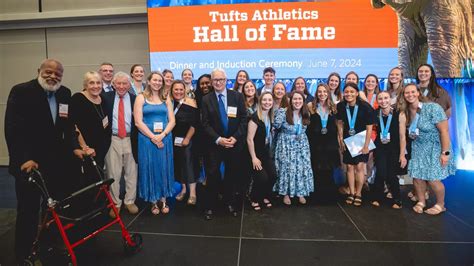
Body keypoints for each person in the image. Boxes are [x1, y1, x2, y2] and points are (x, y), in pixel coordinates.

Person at [5, 59, 72, 263]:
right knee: (28, 210)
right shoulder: (21, 91)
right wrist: (24, 158)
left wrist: (76, 148)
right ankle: (23, 253)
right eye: (49, 72)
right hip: (29, 164)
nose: (53, 76)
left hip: (55, 164)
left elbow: (66, 126)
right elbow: (13, 129)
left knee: (53, 209)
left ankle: (46, 245)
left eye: (57, 74)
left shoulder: (64, 93)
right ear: (39, 72)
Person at [399, 84, 456, 215]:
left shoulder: (432, 108)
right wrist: (402, 154)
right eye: (407, 93)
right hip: (418, 146)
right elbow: (403, 136)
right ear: (403, 96)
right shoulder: (406, 112)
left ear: (418, 93)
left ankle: (441, 204)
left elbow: (444, 131)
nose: (410, 95)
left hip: (436, 147)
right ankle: (421, 201)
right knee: (417, 177)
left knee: (432, 178)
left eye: (412, 92)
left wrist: (445, 153)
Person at [200, 68, 247, 220]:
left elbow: (243, 119)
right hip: (215, 145)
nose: (218, 82)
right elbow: (205, 124)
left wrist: (235, 137)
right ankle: (210, 206)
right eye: (215, 80)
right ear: (212, 82)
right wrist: (219, 139)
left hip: (233, 144)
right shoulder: (206, 99)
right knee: (213, 175)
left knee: (231, 175)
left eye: (221, 80)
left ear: (226, 81)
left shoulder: (237, 96)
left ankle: (230, 203)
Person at [134, 71, 176, 215]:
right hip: (147, 140)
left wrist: (162, 135)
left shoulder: (166, 98)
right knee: (150, 167)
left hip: (165, 140)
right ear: (149, 81)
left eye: (160, 80)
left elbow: (172, 120)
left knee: (164, 168)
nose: (157, 83)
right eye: (155, 80)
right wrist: (153, 137)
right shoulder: (141, 98)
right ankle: (153, 201)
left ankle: (163, 199)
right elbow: (138, 122)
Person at [103, 72, 139, 218]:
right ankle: (116, 203)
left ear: (129, 85)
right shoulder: (105, 98)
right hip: (113, 139)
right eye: (119, 83)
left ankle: (130, 201)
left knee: (131, 172)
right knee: (113, 173)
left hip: (131, 139)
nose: (122, 86)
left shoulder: (135, 98)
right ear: (113, 84)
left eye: (125, 83)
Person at [336, 82, 375, 207]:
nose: (349, 94)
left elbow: (370, 128)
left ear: (357, 93)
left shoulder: (365, 107)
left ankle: (358, 193)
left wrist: (366, 146)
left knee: (359, 167)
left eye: (352, 92)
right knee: (349, 168)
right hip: (348, 140)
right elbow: (340, 123)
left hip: (361, 139)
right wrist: (340, 138)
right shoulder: (341, 106)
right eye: (346, 92)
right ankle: (351, 193)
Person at [273, 91, 314, 205]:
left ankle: (300, 193)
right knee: (286, 168)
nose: (297, 101)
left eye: (300, 99)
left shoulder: (305, 113)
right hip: (286, 144)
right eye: (295, 99)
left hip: (302, 144)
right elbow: (275, 126)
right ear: (290, 100)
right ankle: (285, 193)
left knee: (301, 168)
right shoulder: (283, 111)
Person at [371, 91, 407, 209]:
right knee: (380, 172)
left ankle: (397, 199)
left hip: (394, 148)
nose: (383, 101)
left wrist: (402, 155)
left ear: (391, 99)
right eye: (380, 99)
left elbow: (402, 136)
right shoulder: (375, 114)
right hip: (380, 148)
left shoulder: (399, 114)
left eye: (386, 98)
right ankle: (377, 197)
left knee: (391, 174)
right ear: (377, 101)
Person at [70, 71, 111, 170]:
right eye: (91, 83)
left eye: (98, 83)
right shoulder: (78, 98)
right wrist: (84, 147)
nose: (95, 86)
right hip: (86, 151)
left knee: (100, 179)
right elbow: (73, 125)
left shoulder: (103, 100)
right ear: (85, 85)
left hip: (100, 150)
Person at [307, 84, 340, 201]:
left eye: (325, 91)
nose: (322, 94)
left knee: (329, 170)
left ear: (328, 93)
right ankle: (317, 196)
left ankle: (329, 196)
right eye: (320, 92)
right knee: (316, 169)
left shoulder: (334, 107)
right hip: (316, 144)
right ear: (316, 93)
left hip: (330, 144)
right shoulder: (311, 106)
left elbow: (338, 126)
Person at [171, 80, 199, 205]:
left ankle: (193, 193)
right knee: (179, 165)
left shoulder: (191, 103)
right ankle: (183, 189)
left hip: (188, 139)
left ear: (185, 90)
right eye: (176, 89)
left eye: (181, 89)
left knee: (189, 165)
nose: (178, 92)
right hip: (173, 140)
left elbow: (194, 124)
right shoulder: (169, 104)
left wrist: (187, 138)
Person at [247, 92, 276, 210]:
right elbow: (249, 139)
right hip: (254, 153)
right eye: (265, 100)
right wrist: (254, 158)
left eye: (270, 100)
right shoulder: (255, 118)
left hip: (265, 153)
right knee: (262, 178)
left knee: (273, 176)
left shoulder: (270, 116)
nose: (267, 102)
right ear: (260, 102)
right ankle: (253, 197)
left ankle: (264, 196)